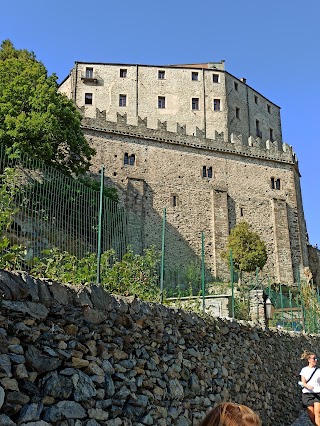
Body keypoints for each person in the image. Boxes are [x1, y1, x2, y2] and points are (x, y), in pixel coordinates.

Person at [300, 350, 320, 425]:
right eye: (314, 358)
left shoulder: (318, 370)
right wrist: (308, 386)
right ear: (309, 360)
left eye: (316, 358)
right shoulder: (304, 370)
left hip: (318, 393)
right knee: (311, 416)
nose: (315, 360)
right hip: (307, 394)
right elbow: (303, 382)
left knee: (317, 413)